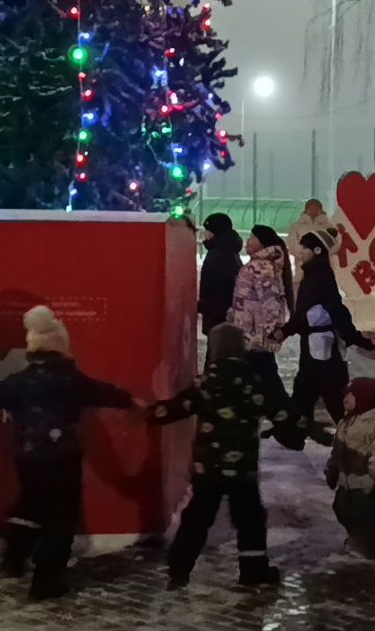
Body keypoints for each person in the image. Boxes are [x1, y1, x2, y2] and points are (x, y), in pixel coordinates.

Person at [0, 306, 138, 600]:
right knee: (60, 515)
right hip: (63, 456)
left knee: (30, 504)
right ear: (62, 346)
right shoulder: (72, 379)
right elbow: (102, 392)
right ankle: (47, 578)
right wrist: (131, 401)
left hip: (28, 455)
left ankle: (14, 556)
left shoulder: (22, 380)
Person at [149, 322, 304, 589]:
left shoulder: (205, 384)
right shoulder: (252, 383)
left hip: (207, 469)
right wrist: (299, 422)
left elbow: (176, 407)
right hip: (242, 470)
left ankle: (179, 569)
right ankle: (253, 571)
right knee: (250, 519)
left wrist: (150, 413)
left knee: (197, 517)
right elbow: (279, 411)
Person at [285, 232, 373, 426]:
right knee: (305, 391)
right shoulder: (314, 274)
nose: (300, 252)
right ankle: (297, 431)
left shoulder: (320, 277)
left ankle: (348, 433)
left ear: (317, 250)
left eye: (304, 247)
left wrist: (357, 338)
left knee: (331, 394)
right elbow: (304, 314)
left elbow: (335, 309)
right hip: (313, 346)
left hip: (322, 348)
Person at [325, 377, 375, 558]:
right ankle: (356, 536)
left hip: (368, 483)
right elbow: (337, 449)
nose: (345, 399)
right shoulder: (346, 422)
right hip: (346, 480)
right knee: (342, 509)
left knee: (365, 514)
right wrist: (332, 469)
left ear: (364, 398)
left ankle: (367, 544)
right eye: (345, 395)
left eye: (351, 395)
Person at [228, 226, 292, 390]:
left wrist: (270, 330)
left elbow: (271, 300)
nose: (248, 241)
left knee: (266, 375)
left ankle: (282, 409)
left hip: (257, 334)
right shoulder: (257, 264)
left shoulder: (262, 267)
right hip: (251, 331)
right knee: (259, 375)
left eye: (253, 237)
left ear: (262, 242)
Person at [196, 214, 244, 348]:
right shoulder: (226, 250)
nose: (205, 234)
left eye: (208, 230)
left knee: (218, 351)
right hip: (221, 312)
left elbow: (218, 286)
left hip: (219, 314)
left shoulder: (219, 254)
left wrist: (204, 306)